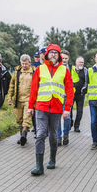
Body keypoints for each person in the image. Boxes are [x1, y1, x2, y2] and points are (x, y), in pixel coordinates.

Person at [27, 44, 74, 176]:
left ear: (59, 56)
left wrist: (67, 108)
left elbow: (70, 91)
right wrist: (31, 106)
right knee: (41, 134)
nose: (53, 54)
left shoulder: (65, 71)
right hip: (41, 106)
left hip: (57, 107)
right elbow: (34, 88)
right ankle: (39, 166)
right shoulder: (40, 69)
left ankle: (52, 159)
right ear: (46, 54)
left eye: (55, 53)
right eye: (51, 52)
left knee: (53, 135)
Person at [7, 54, 36, 146]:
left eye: (26, 64)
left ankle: (24, 135)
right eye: (22, 64)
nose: (24, 65)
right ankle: (22, 136)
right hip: (18, 99)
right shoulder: (17, 72)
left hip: (29, 100)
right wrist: (9, 98)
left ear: (30, 63)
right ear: (20, 63)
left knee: (26, 119)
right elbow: (12, 85)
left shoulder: (34, 72)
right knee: (19, 120)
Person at [57, 50, 78, 146]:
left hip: (68, 95)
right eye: (63, 58)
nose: (64, 60)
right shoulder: (56, 68)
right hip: (58, 96)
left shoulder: (72, 69)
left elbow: (77, 79)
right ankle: (58, 137)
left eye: (66, 58)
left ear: (68, 58)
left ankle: (66, 134)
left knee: (67, 117)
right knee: (57, 117)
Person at [71, 56, 88, 133]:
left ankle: (76, 126)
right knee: (69, 110)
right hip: (72, 93)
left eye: (82, 62)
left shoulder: (85, 70)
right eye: (80, 62)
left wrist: (83, 90)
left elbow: (86, 82)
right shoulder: (71, 69)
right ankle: (70, 122)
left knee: (80, 111)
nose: (81, 64)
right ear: (76, 62)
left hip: (80, 94)